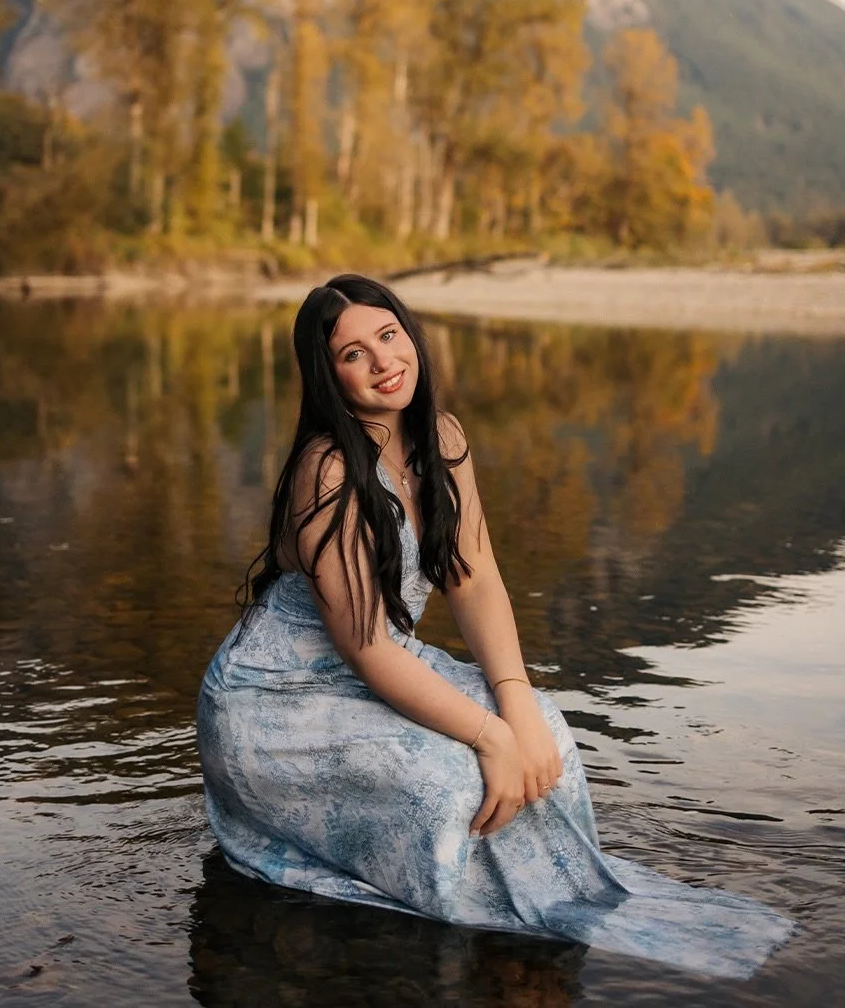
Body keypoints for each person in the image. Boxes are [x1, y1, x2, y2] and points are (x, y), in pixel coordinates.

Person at [196, 275, 794, 979]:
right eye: (353, 353)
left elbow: (473, 576)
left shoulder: (440, 437)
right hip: (276, 700)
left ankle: (543, 905)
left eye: (389, 335)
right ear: (328, 377)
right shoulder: (327, 472)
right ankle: (477, 950)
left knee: (548, 731)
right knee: (451, 782)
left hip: (375, 663)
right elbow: (364, 646)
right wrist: (487, 734)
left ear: (411, 334)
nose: (383, 360)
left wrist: (512, 707)